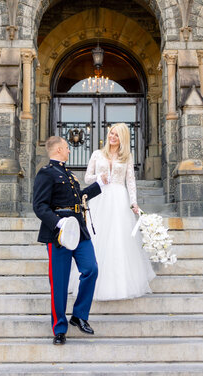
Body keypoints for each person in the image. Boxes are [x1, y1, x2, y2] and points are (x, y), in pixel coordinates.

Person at [69, 123, 155, 300]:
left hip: (118, 198)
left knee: (118, 240)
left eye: (116, 135)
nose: (112, 137)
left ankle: (118, 286)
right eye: (111, 133)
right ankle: (93, 283)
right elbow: (87, 177)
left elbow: (130, 181)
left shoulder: (126, 157)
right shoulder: (97, 154)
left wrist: (134, 203)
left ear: (122, 138)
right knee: (98, 237)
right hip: (100, 198)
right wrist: (99, 178)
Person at [33, 135, 104, 346]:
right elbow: (39, 206)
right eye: (66, 148)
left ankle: (79, 315)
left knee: (91, 269)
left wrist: (99, 185)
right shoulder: (46, 174)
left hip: (79, 230)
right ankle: (60, 328)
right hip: (59, 235)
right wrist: (58, 223)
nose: (69, 151)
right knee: (60, 282)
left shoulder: (69, 175)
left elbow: (78, 198)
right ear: (57, 150)